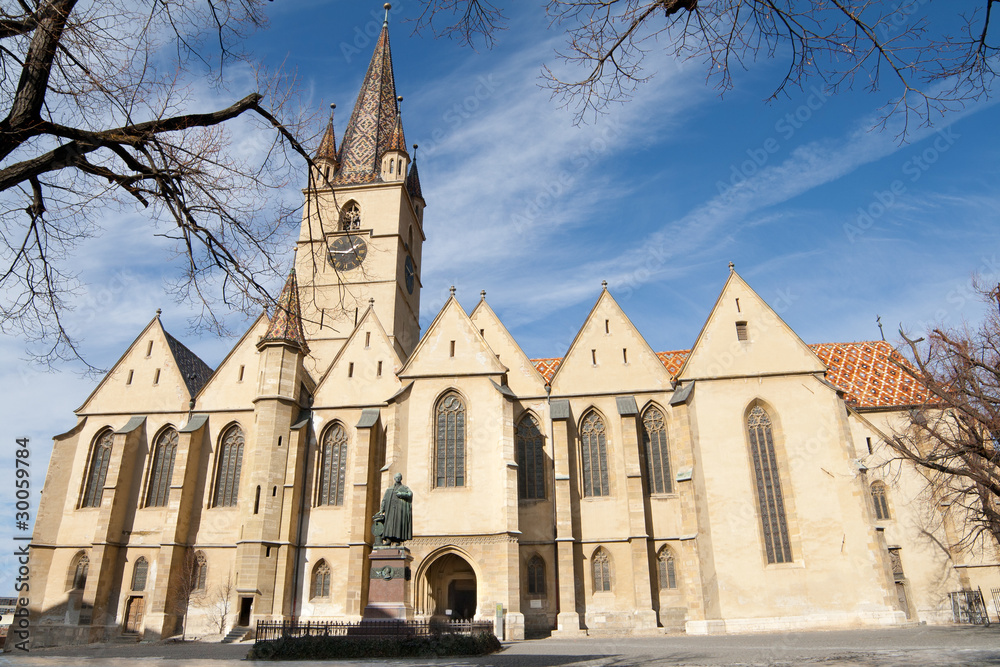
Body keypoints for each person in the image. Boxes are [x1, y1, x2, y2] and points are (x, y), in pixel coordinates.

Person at [374, 473, 412, 545]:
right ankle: (388, 540)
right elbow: (384, 500)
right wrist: (382, 509)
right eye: (396, 477)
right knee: (389, 524)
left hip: (400, 509)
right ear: (394, 478)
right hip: (390, 509)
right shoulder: (389, 489)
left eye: (399, 477)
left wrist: (402, 494)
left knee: (398, 524)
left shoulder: (404, 488)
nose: (397, 478)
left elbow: (410, 494)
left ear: (401, 478)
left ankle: (398, 540)